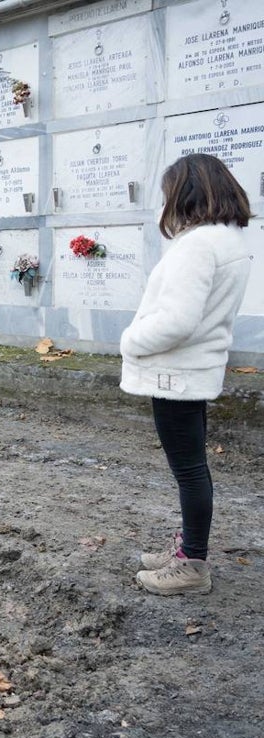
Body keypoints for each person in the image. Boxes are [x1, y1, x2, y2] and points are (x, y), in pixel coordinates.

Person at [122, 153, 252, 597]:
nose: (166, 203)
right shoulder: (227, 240)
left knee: (190, 470)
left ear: (188, 191)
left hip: (174, 373)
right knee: (194, 467)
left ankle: (192, 563)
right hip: (193, 370)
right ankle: (188, 551)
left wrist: (130, 340)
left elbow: (177, 320)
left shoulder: (198, 245)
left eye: (169, 193)